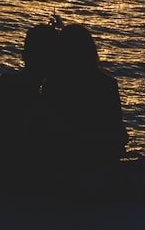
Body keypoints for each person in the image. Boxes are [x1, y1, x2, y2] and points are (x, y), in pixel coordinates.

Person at [40, 24, 129, 197]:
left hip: (59, 174)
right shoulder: (107, 85)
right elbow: (116, 133)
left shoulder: (53, 84)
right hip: (95, 174)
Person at [0, 23, 59, 196]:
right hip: (24, 184)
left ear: (24, 56)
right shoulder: (39, 98)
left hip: (0, 177)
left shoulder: (3, 84)